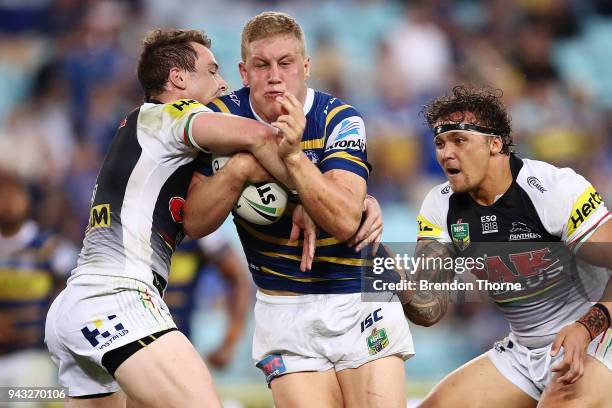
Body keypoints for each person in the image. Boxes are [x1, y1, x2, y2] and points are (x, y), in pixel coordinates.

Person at [45, 28, 306, 407]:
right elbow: (261, 138)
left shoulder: (139, 128)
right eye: (213, 71)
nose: (222, 83)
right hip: (119, 298)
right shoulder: (171, 113)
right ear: (179, 79)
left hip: (78, 304)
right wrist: (308, 199)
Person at [184, 12, 414, 407]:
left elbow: (343, 220)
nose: (275, 75)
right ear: (244, 71)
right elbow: (196, 222)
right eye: (262, 65)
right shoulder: (219, 120)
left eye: (286, 63)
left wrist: (293, 160)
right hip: (282, 306)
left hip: (358, 298)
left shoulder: (339, 118)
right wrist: (240, 168)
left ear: (305, 67)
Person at [401, 85, 611, 407]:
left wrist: (588, 325)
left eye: (459, 140)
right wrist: (381, 262)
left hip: (598, 337)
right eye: (440, 143)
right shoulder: (439, 207)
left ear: (494, 144)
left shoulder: (553, 191)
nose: (446, 153)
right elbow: (428, 309)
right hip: (524, 352)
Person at [0, 172, 77, 404]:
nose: (8, 203)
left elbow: (74, 292)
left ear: (27, 199)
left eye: (14, 195)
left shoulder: (50, 249)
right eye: (2, 195)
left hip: (35, 359)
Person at [165, 229, 251, 369]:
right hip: (126, 340)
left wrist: (230, 339)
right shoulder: (124, 223)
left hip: (177, 346)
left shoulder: (197, 228)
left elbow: (238, 279)